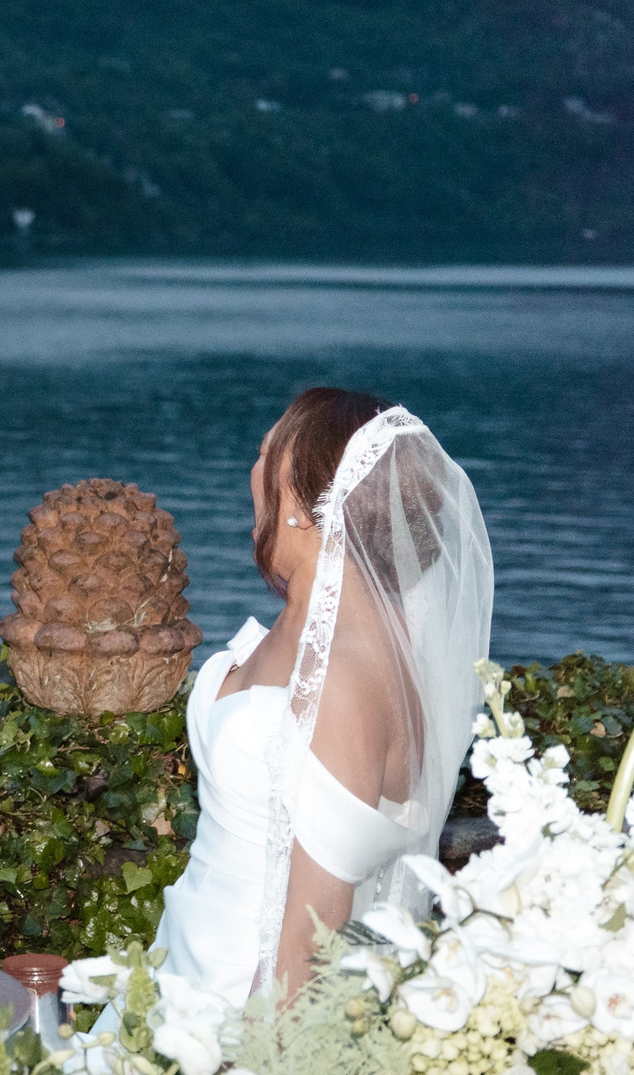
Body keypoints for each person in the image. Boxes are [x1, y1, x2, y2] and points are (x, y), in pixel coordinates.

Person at [154, 387, 491, 1008]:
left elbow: (314, 932)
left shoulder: (347, 677)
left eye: (266, 455)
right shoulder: (311, 628)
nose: (252, 472)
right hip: (179, 959)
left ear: (304, 509)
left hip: (232, 1006)